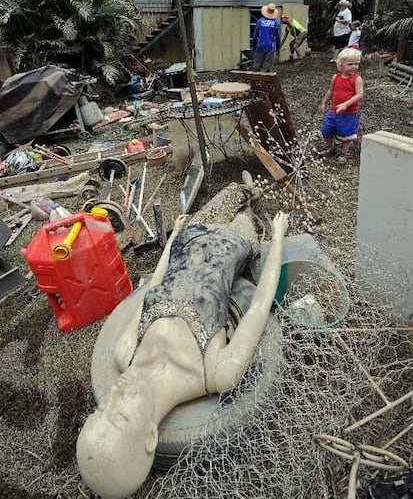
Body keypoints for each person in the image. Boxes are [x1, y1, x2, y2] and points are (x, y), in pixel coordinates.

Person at [76, 173, 289, 499]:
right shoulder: (216, 372)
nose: (113, 395)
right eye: (119, 415)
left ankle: (247, 187)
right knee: (248, 215)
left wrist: (174, 236)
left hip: (192, 236)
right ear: (150, 438)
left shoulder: (126, 352)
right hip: (233, 243)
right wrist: (279, 237)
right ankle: (253, 203)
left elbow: (154, 285)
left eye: (100, 410)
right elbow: (260, 305)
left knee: (233, 191)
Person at [318, 47, 363, 164]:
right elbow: (330, 91)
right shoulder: (336, 77)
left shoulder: (357, 79)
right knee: (326, 130)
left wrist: (345, 104)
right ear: (341, 64)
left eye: (357, 64)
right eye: (350, 64)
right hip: (334, 111)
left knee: (345, 134)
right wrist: (323, 103)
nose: (354, 67)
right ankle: (330, 147)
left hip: (349, 113)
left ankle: (344, 152)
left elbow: (359, 95)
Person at [251, 3, 281, 73]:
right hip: (270, 46)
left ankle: (256, 80)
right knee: (268, 66)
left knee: (257, 65)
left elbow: (255, 34)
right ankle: (266, 81)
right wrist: (278, 47)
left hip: (260, 45)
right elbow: (278, 37)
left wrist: (253, 45)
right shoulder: (276, 23)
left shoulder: (260, 21)